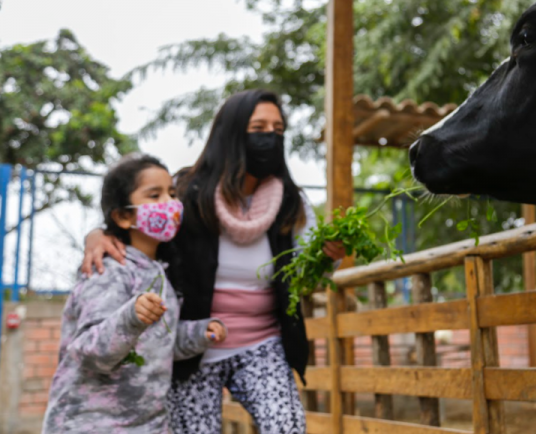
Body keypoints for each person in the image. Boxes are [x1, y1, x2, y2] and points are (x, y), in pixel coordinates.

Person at [81, 90, 345, 433]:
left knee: (287, 426)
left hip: (263, 344)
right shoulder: (185, 191)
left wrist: (327, 259)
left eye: (278, 129)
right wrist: (96, 235)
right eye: (259, 127)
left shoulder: (292, 202)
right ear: (232, 132)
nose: (270, 137)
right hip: (191, 345)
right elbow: (141, 222)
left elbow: (308, 278)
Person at [44, 154, 226, 433]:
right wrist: (132, 317)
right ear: (123, 216)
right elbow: (91, 351)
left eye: (172, 193)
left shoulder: (159, 273)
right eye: (155, 195)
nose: (170, 204)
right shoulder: (107, 269)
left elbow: (158, 344)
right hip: (90, 424)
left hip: (147, 425)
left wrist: (201, 333)